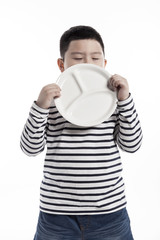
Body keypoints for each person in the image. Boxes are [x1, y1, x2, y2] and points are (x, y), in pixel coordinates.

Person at [20, 25, 142, 240]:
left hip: (109, 213)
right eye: (77, 57)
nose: (87, 64)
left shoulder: (112, 102)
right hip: (57, 214)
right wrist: (40, 107)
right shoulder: (51, 103)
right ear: (61, 64)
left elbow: (132, 145)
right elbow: (30, 148)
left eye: (95, 58)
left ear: (104, 64)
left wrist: (125, 100)